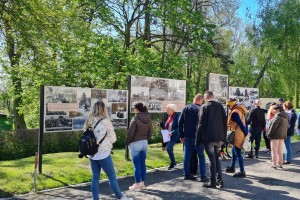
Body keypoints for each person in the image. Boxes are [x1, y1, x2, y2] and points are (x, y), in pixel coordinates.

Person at [84, 101, 132, 200]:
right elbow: (113, 138)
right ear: (103, 109)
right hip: (103, 153)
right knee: (111, 176)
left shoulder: (89, 120)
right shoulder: (105, 121)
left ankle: (95, 198)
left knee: (95, 177)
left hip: (92, 154)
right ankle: (120, 197)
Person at [196, 91, 227, 188]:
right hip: (218, 137)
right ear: (213, 97)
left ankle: (213, 181)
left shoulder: (204, 107)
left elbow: (200, 124)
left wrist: (197, 139)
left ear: (205, 98)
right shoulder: (220, 106)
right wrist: (223, 138)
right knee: (216, 158)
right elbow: (224, 123)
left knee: (211, 160)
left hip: (208, 137)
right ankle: (220, 180)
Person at [179, 94, 208, 182]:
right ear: (201, 100)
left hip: (188, 136)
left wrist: (181, 135)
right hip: (199, 136)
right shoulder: (203, 109)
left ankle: (186, 174)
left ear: (194, 99)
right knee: (201, 156)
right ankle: (203, 176)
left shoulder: (186, 108)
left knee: (187, 155)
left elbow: (180, 122)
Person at [125, 103, 153, 190]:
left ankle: (137, 183)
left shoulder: (135, 119)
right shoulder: (148, 118)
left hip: (135, 143)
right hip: (144, 142)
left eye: (134, 108)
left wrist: (126, 142)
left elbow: (130, 133)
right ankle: (142, 183)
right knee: (142, 164)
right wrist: (145, 139)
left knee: (136, 165)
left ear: (137, 109)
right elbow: (150, 132)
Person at [224, 98, 248, 178]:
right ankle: (232, 167)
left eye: (228, 105)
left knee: (238, 153)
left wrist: (246, 133)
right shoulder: (239, 110)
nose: (228, 107)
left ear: (231, 104)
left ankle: (242, 171)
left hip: (238, 134)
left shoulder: (235, 112)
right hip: (240, 133)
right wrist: (245, 132)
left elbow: (240, 123)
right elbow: (245, 122)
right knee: (234, 151)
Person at [159, 104, 180, 170]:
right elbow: (166, 125)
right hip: (167, 136)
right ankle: (173, 162)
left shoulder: (177, 116)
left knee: (168, 148)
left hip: (174, 136)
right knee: (170, 149)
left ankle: (173, 163)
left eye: (168, 109)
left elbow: (179, 127)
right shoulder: (167, 116)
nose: (166, 110)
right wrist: (160, 124)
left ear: (172, 110)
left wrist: (172, 132)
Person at [267, 104, 288, 169]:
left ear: (278, 110)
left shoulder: (278, 116)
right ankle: (280, 163)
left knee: (274, 150)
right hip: (282, 135)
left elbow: (273, 127)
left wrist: (269, 134)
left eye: (274, 109)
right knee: (280, 150)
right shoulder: (285, 116)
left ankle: (274, 164)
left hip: (275, 135)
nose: (273, 110)